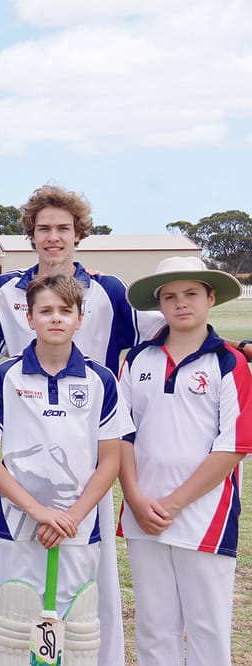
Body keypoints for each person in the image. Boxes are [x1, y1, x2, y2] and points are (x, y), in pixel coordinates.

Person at [0, 183, 162, 664]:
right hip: (26, 449)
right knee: (20, 594)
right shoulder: (6, 291)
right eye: (43, 228)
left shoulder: (108, 289)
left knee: (90, 582)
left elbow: (165, 325)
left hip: (90, 452)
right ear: (31, 234)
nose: (53, 237)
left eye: (63, 228)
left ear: (78, 233)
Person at [0, 274, 132, 660]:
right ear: (29, 318)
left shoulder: (100, 379)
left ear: (80, 317)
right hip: (15, 524)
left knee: (75, 629)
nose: (56, 318)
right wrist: (39, 512)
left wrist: (71, 517)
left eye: (66, 310)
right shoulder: (6, 375)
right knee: (15, 626)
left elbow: (110, 460)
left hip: (77, 527)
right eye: (45, 311)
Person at [118, 256, 251, 665]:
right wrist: (136, 499)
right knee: (154, 626)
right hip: (143, 513)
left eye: (191, 293)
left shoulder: (229, 362)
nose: (181, 303)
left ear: (210, 298)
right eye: (170, 296)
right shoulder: (137, 359)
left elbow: (233, 446)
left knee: (207, 626)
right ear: (159, 304)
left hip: (205, 515)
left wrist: (175, 503)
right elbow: (121, 436)